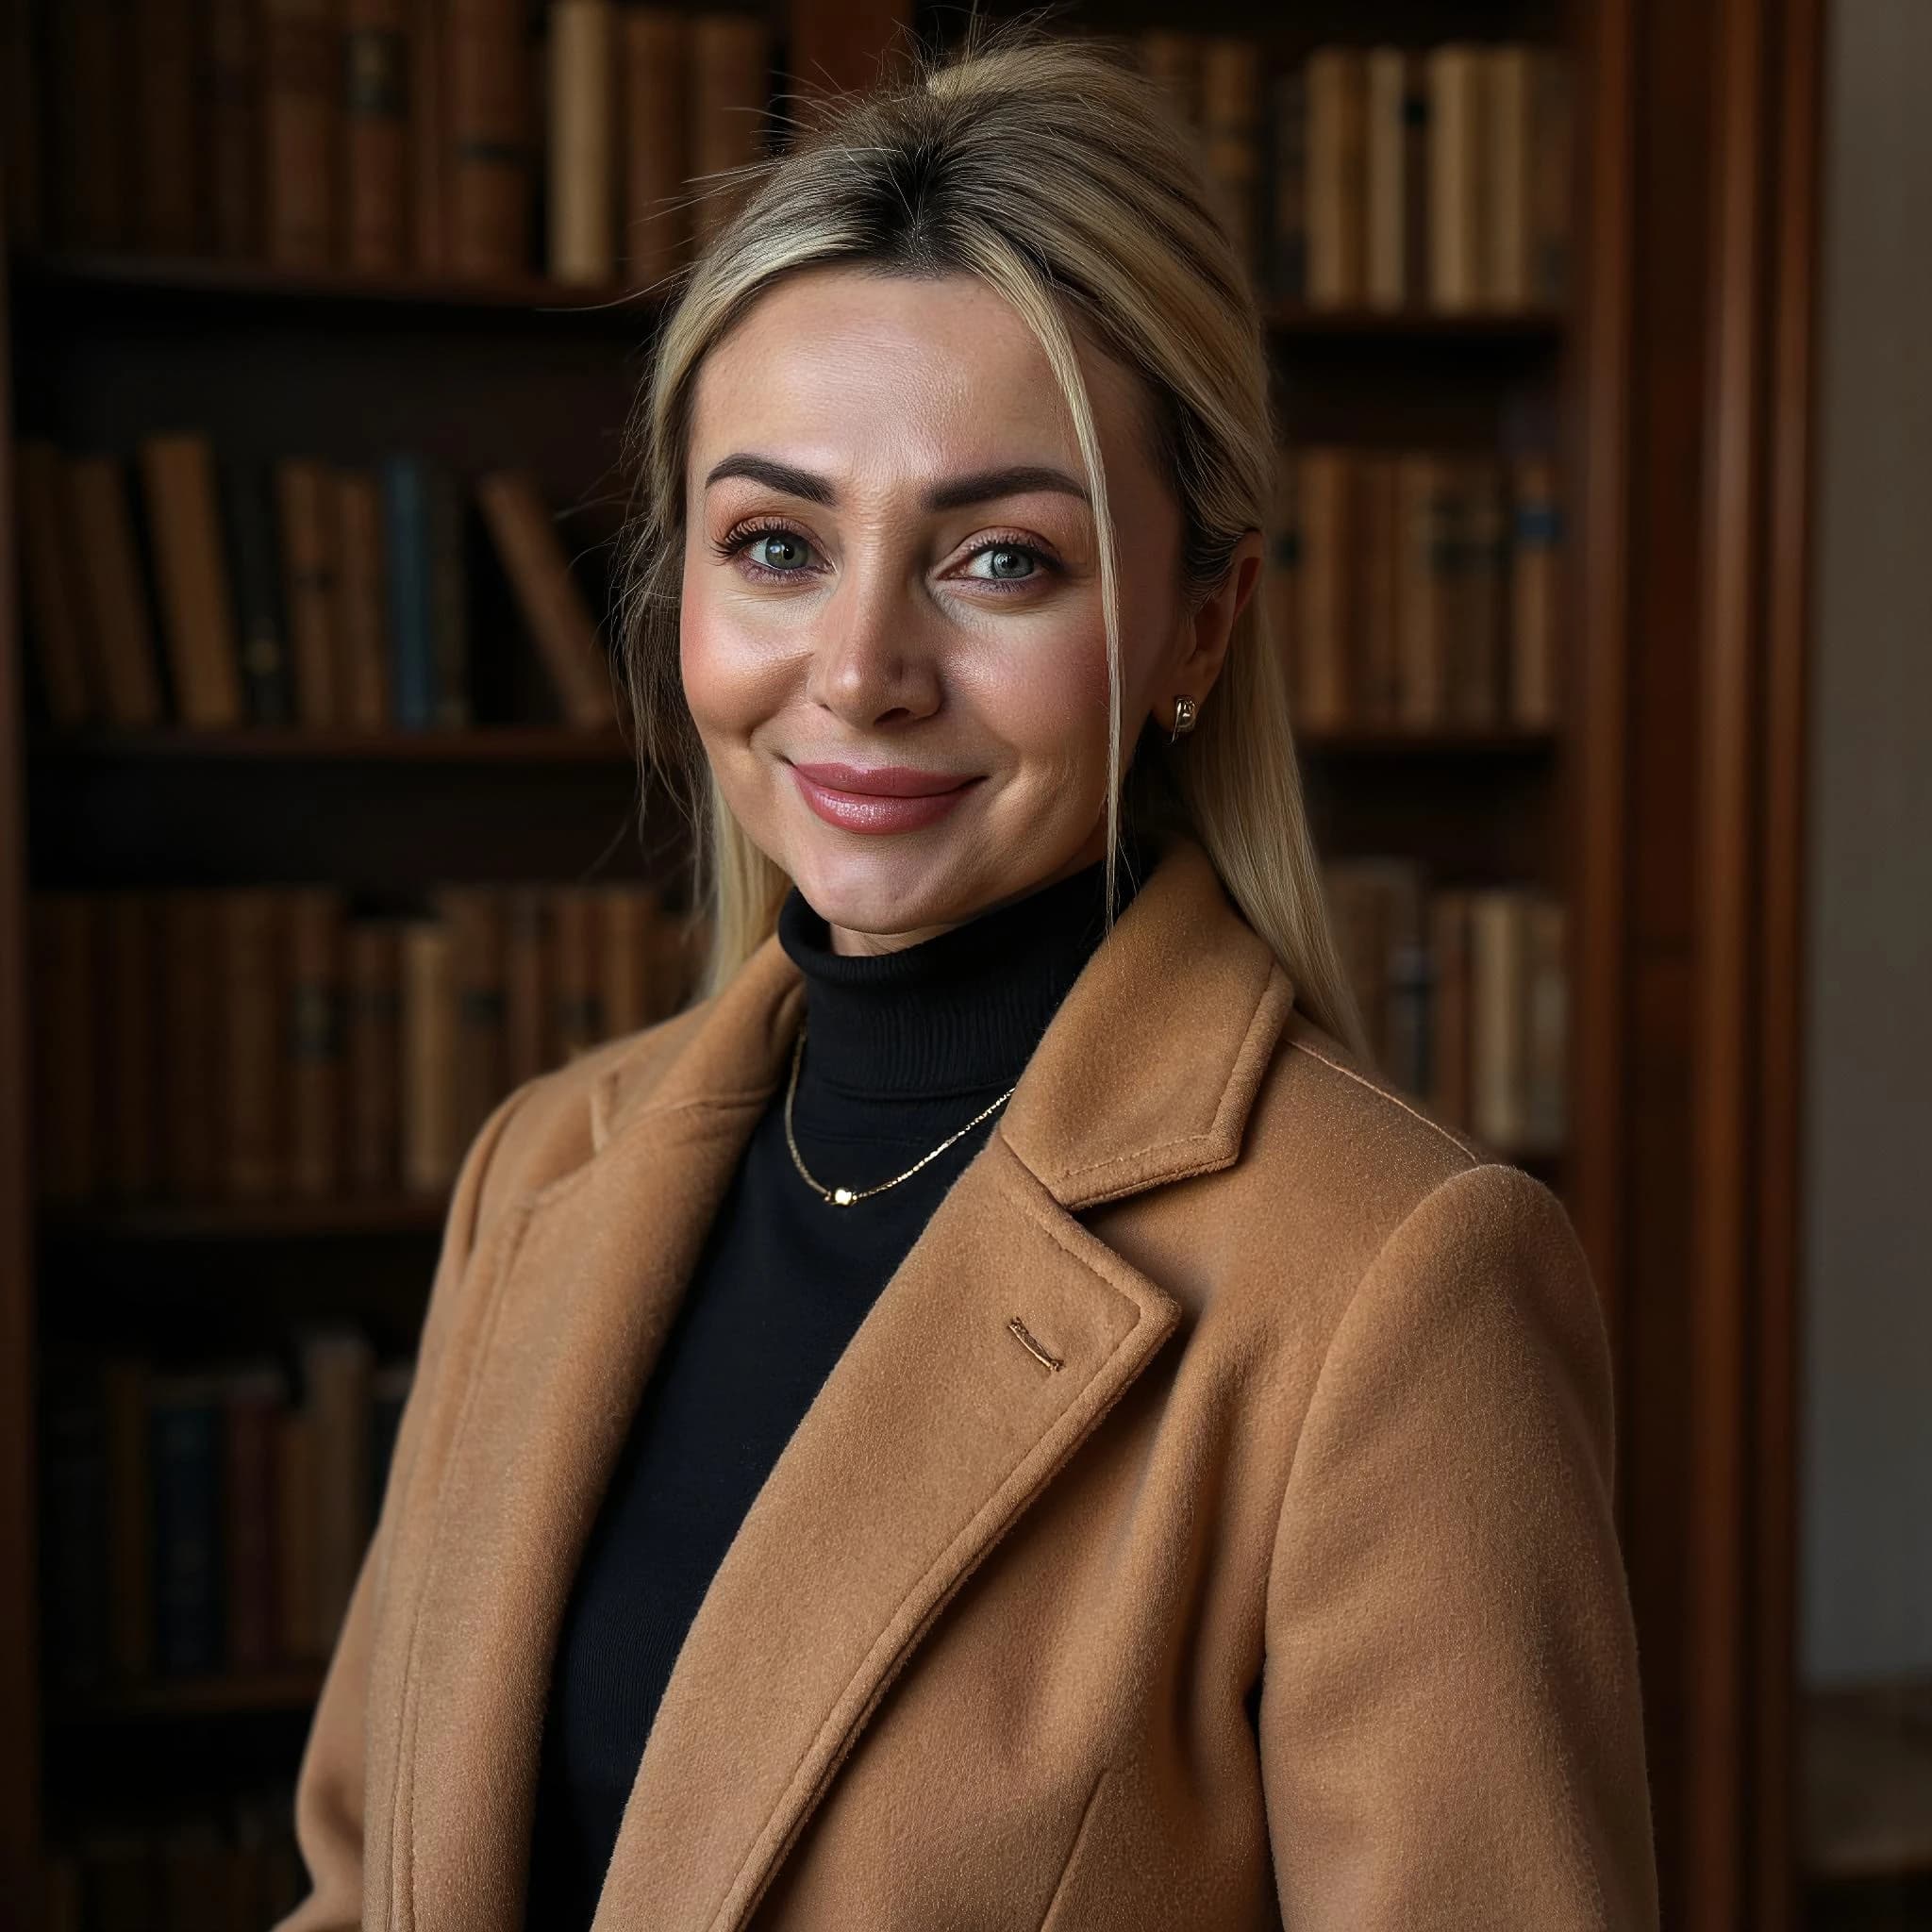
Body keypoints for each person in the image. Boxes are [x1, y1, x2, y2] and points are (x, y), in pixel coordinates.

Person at [278, 23, 1657, 1930]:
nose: (858, 671)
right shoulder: (541, 1172)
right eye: (774, 542)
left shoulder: (1395, 1289)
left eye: (998, 561)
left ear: (1201, 618)